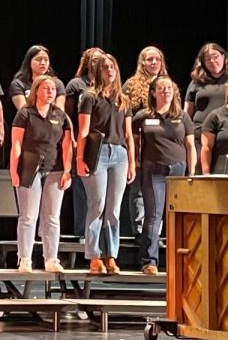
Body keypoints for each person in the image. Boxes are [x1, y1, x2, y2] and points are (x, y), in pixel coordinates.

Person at [76, 53, 135, 275]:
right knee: (97, 204)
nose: (110, 71)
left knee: (114, 208)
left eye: (112, 67)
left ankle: (111, 255)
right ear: (98, 72)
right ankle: (94, 256)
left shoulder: (124, 100)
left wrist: (132, 163)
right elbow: (83, 131)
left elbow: (129, 135)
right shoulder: (89, 97)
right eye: (105, 68)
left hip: (119, 153)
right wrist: (80, 158)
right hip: (97, 154)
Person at [9, 75, 74, 274]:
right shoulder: (25, 113)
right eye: (45, 88)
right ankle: (25, 258)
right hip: (30, 169)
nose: (50, 92)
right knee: (28, 216)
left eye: (53, 89)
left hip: (55, 170)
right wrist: (14, 170)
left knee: (52, 216)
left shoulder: (60, 115)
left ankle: (51, 258)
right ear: (36, 90)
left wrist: (67, 171)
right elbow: (17, 143)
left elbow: (67, 146)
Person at [132, 76, 195, 274]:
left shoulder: (182, 116)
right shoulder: (143, 116)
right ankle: (149, 261)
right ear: (153, 92)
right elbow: (132, 141)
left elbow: (190, 145)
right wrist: (135, 161)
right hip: (153, 170)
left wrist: (191, 171)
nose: (166, 91)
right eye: (161, 88)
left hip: (178, 169)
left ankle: (179, 260)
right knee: (153, 215)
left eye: (169, 88)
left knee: (177, 216)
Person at [122, 46, 170, 261]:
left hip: (162, 148)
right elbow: (126, 118)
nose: (154, 63)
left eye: (157, 60)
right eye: (149, 60)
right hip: (140, 144)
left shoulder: (167, 85)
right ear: (142, 62)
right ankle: (140, 231)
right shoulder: (131, 85)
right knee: (139, 191)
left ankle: (155, 233)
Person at [64, 48, 105, 239]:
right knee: (82, 188)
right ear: (87, 61)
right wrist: (72, 137)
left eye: (101, 60)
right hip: (82, 138)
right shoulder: (76, 84)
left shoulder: (108, 85)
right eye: (94, 60)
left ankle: (100, 234)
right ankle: (82, 232)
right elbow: (68, 114)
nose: (97, 63)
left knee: (102, 193)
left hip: (102, 141)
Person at [184, 43, 228, 134]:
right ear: (203, 63)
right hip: (200, 131)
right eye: (207, 59)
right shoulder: (196, 81)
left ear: (224, 57)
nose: (212, 61)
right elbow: (187, 112)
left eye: (215, 56)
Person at [9, 45, 65, 112]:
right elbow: (23, 111)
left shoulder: (57, 84)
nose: (43, 63)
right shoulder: (18, 84)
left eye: (46, 60)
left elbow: (60, 111)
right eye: (38, 59)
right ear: (29, 62)